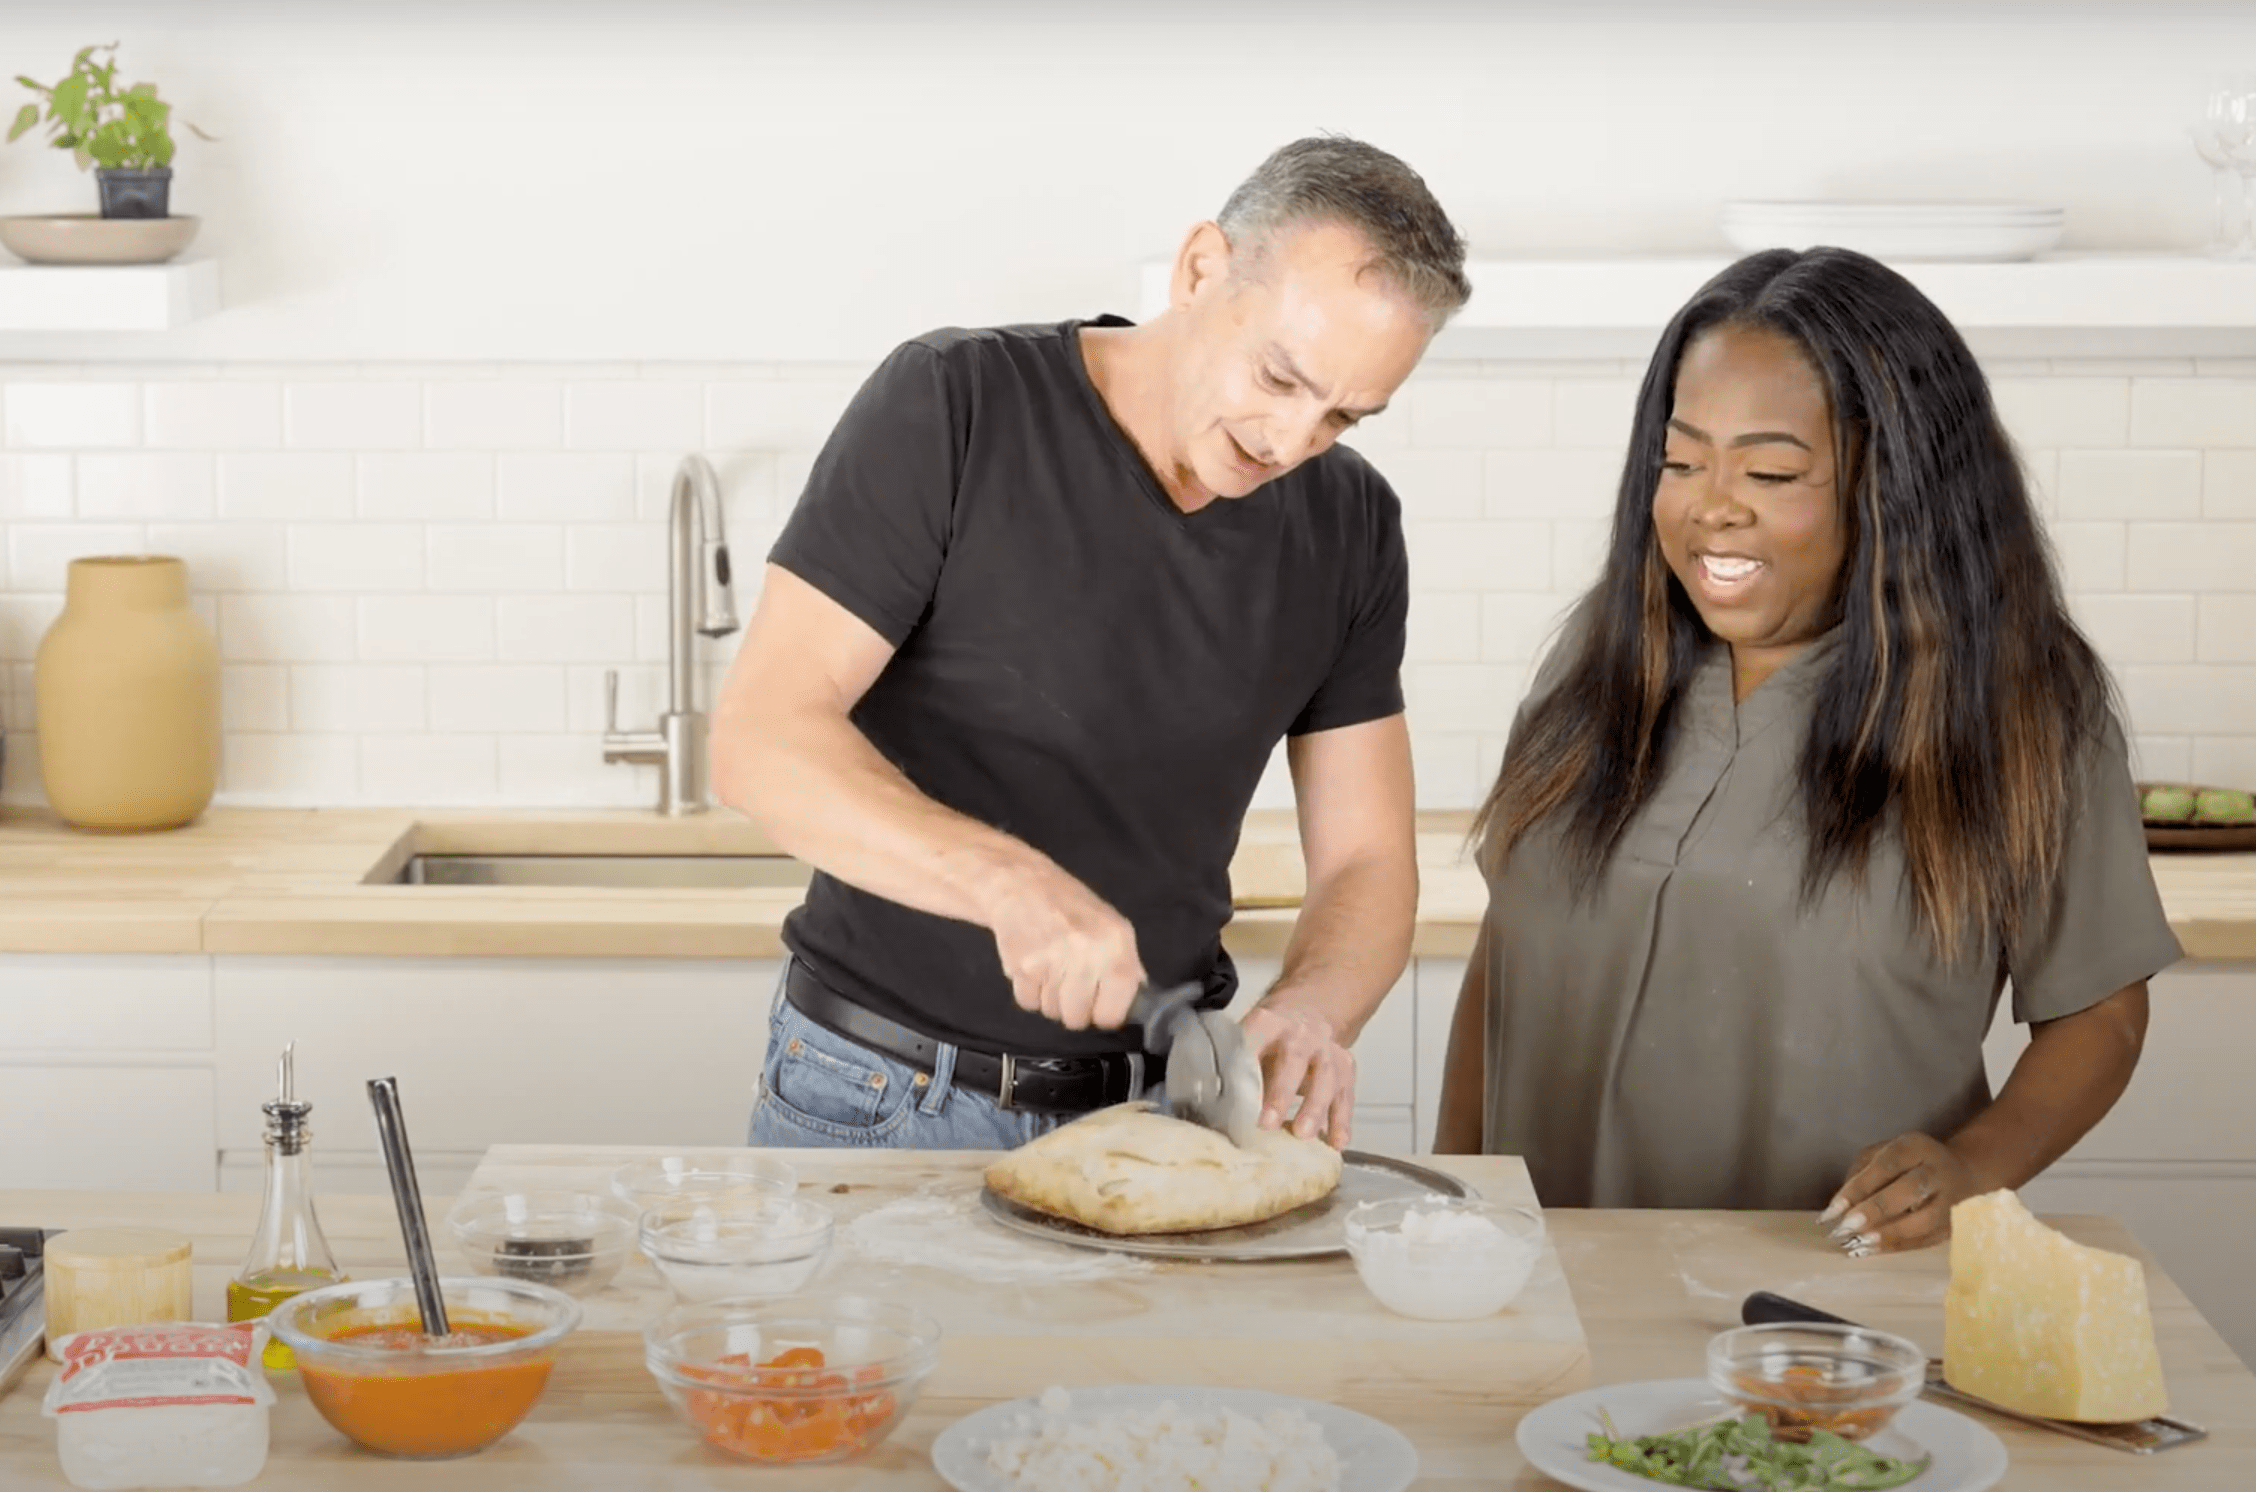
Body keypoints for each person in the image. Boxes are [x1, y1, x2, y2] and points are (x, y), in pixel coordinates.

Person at [710, 136, 1471, 1151]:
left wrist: (1313, 1009)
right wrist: (1008, 885)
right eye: (1280, 377)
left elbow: (1369, 859)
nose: (1290, 443)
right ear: (1201, 268)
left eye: (1342, 417)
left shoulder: (1351, 527)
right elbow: (761, 737)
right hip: (883, 1096)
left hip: (1164, 1115)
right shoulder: (957, 403)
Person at [1433, 247, 2179, 1255]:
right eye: (1683, 460)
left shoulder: (2018, 704)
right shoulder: (1601, 668)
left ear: (1896, 484)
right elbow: (1506, 956)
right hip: (1548, 1278)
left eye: (1773, 471)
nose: (1711, 506)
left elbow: (2099, 1011)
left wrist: (1973, 1166)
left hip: (1831, 1309)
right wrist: (1454, 1195)